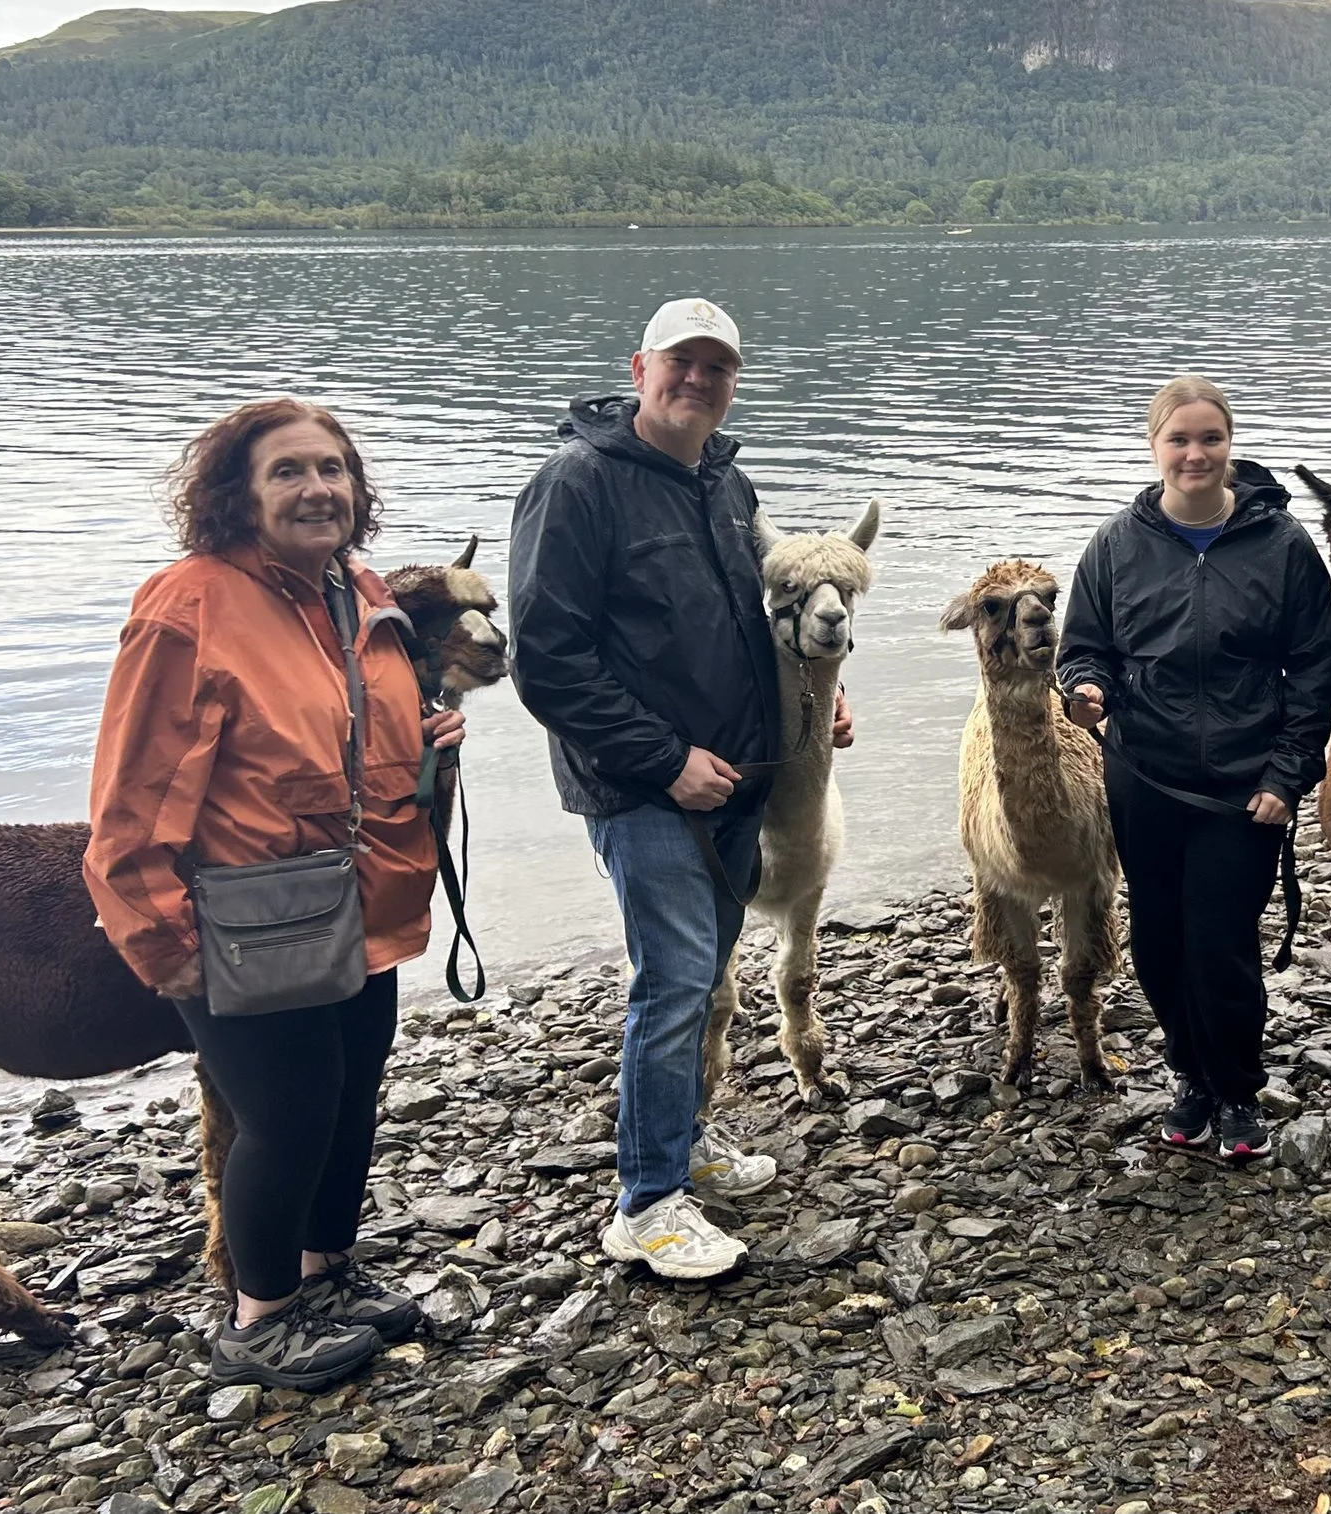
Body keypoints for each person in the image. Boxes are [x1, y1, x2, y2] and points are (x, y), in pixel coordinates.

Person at [85, 398, 461, 1391]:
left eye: (332, 469)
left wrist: (424, 740)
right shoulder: (188, 604)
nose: (316, 489)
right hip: (248, 921)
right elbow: (131, 803)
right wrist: (166, 944)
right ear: (235, 492)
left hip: (362, 907)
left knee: (347, 1102)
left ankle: (326, 1274)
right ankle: (260, 1320)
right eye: (288, 470)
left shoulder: (356, 589)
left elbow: (349, 739)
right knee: (287, 1117)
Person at [509, 296, 850, 1281]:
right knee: (672, 984)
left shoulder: (725, 484)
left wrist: (817, 704)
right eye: (680, 363)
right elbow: (549, 661)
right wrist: (664, 760)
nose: (697, 380)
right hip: (643, 789)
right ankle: (647, 1200)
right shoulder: (575, 487)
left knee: (703, 980)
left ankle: (684, 1139)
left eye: (716, 366)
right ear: (639, 368)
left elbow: (764, 616)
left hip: (738, 779)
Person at [1058, 376, 1331, 1162]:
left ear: (1230, 445)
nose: (1195, 454)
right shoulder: (1116, 544)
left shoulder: (1282, 546)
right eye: (1179, 439)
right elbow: (1086, 646)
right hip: (1144, 774)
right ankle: (1189, 1073)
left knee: (1220, 939)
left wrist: (1287, 776)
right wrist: (1086, 690)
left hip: (1245, 786)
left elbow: (1316, 667)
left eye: (1210, 438)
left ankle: (1237, 1088)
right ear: (1154, 448)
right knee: (1158, 935)